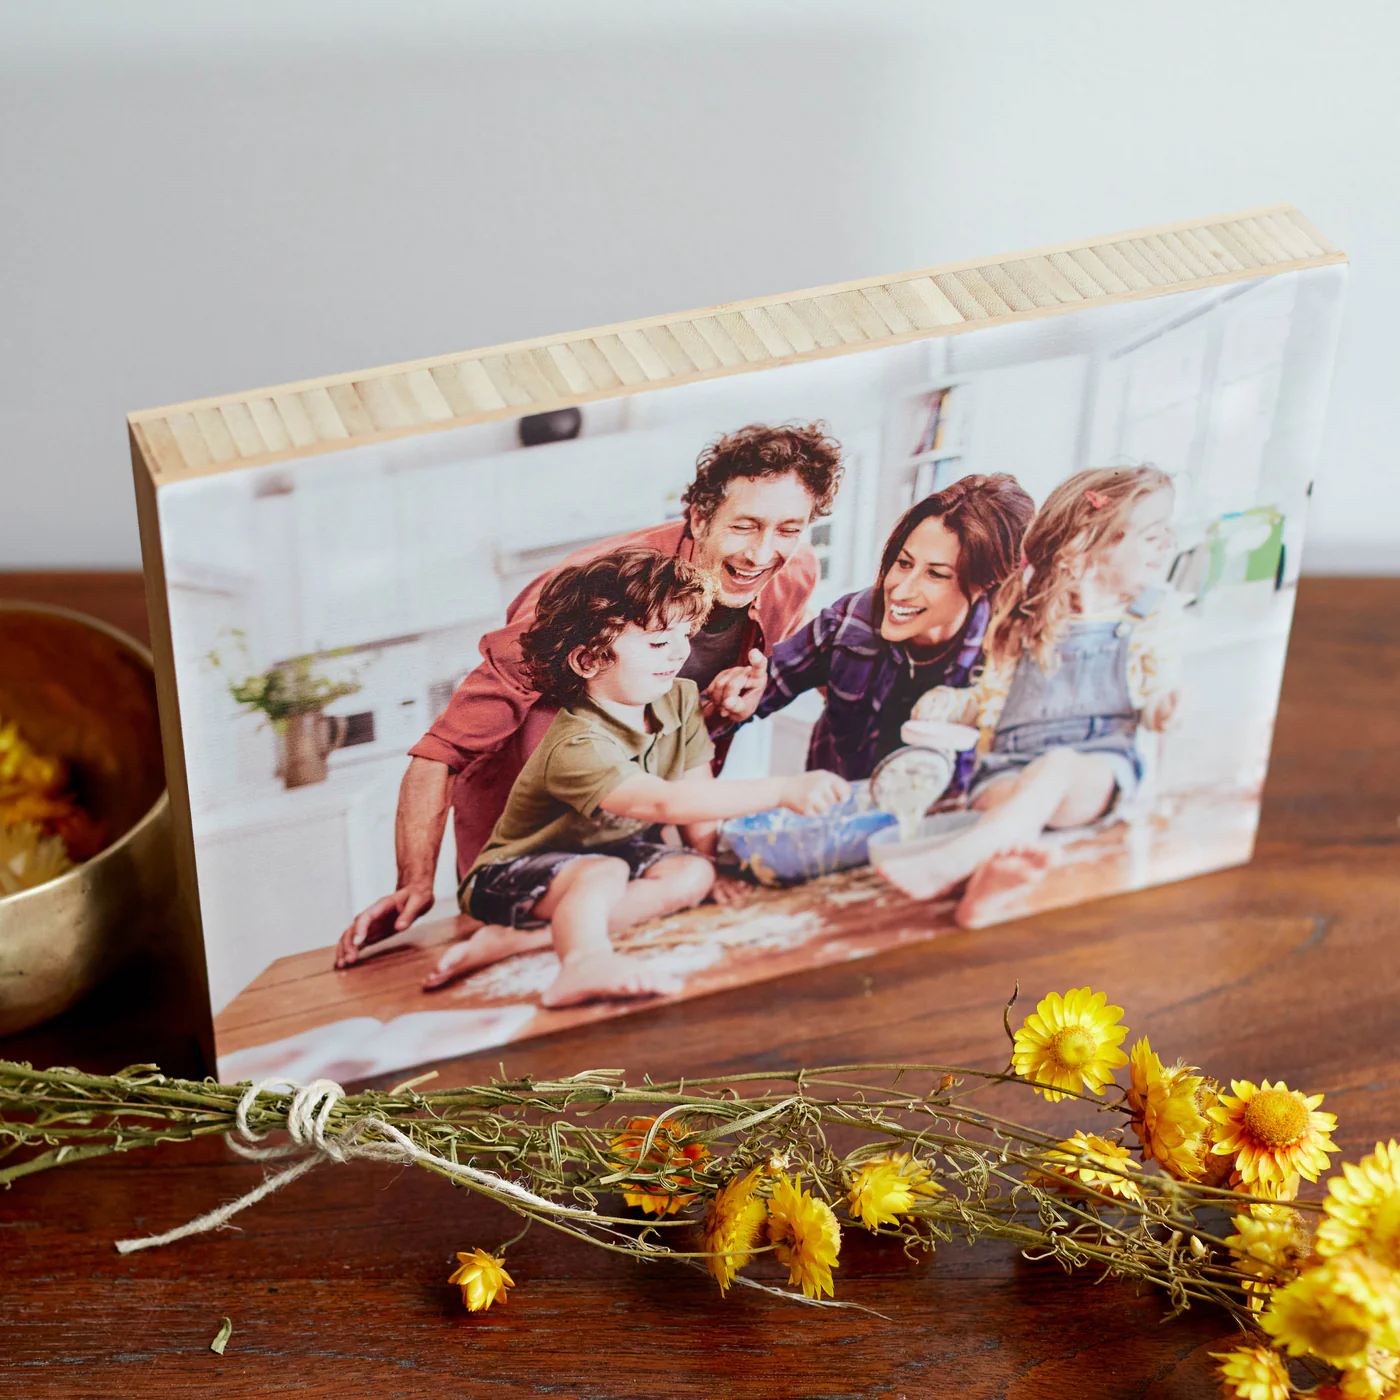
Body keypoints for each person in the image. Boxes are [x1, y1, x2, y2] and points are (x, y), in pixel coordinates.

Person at [334, 423, 844, 973]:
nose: (763, 552)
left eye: (789, 529)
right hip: (532, 832)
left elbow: (691, 731)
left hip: (632, 817)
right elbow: (441, 751)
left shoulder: (793, 574)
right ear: (698, 517)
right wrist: (414, 883)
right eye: (744, 526)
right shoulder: (589, 599)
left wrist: (743, 699)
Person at [426, 549, 849, 1005]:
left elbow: (694, 790)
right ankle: (584, 962)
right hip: (509, 875)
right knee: (601, 873)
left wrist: (716, 865)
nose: (680, 652)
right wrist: (782, 789)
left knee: (692, 873)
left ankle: (519, 940)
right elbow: (660, 804)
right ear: (589, 661)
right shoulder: (577, 743)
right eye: (656, 643)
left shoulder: (680, 697)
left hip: (608, 857)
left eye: (685, 633)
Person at [876, 465, 1182, 926]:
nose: (1167, 545)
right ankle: (985, 892)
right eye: (1153, 535)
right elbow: (993, 699)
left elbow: (1154, 698)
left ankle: (955, 863)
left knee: (1055, 766)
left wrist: (1166, 710)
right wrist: (953, 705)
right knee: (1013, 810)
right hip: (1007, 773)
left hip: (1095, 772)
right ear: (1094, 541)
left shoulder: (1147, 616)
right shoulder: (1023, 614)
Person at [708, 474, 1034, 787]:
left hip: (944, 830)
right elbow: (745, 698)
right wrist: (738, 699)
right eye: (904, 563)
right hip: (838, 821)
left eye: (935, 574)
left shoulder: (1009, 658)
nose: (901, 590)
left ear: (985, 584)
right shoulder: (851, 621)